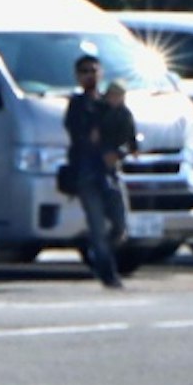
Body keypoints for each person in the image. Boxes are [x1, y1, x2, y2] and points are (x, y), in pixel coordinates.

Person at [62, 51, 138, 289]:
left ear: (101, 73)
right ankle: (107, 273)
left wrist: (119, 152)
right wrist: (95, 136)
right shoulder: (76, 105)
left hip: (111, 173)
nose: (89, 76)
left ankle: (97, 251)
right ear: (77, 77)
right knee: (96, 224)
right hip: (87, 174)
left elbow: (128, 136)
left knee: (119, 225)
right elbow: (79, 135)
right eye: (84, 72)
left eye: (93, 71)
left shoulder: (112, 104)